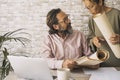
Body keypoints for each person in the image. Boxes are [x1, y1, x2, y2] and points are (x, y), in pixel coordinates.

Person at [83, 0, 120, 67]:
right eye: (88, 8)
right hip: (101, 64)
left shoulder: (116, 14)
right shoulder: (92, 19)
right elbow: (90, 38)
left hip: (118, 64)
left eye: (91, 6)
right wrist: (94, 40)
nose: (90, 11)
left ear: (100, 2)